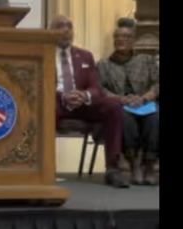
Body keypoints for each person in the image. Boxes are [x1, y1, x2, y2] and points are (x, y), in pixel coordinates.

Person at [50, 14, 129, 188]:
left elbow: (96, 87)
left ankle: (113, 169)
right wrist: (63, 96)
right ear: (50, 32)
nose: (65, 30)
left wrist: (84, 95)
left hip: (82, 104)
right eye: (60, 26)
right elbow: (39, 84)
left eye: (69, 26)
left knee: (113, 106)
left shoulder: (85, 56)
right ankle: (46, 168)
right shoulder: (42, 53)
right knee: (46, 108)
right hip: (57, 103)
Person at [97, 18, 159, 185]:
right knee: (122, 116)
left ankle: (150, 164)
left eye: (125, 37)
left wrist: (144, 97)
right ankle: (134, 164)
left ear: (133, 41)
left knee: (155, 117)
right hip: (120, 106)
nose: (120, 40)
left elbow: (157, 83)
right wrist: (120, 99)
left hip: (144, 103)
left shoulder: (146, 60)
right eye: (117, 37)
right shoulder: (103, 65)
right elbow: (100, 89)